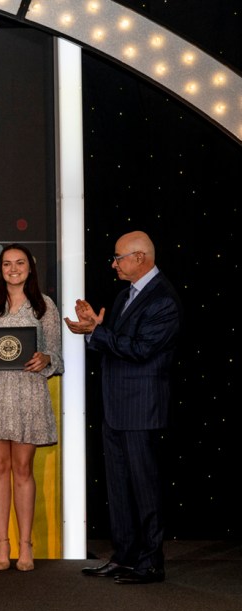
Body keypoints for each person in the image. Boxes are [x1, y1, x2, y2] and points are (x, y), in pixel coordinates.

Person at [65, 231, 181, 585]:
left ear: (141, 258)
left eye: (118, 258)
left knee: (144, 486)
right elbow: (117, 344)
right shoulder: (123, 297)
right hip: (116, 406)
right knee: (117, 486)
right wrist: (94, 329)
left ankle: (150, 562)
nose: (114, 264)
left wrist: (96, 333)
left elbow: (141, 349)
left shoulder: (163, 300)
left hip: (141, 409)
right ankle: (125, 556)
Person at [0, 244, 62, 572]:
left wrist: (46, 359)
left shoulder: (44, 305)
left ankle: (25, 545)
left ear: (30, 268)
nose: (13, 269)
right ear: (0, 268)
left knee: (23, 470)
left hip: (27, 396)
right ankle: (2, 545)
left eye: (20, 263)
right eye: (7, 264)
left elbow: (56, 355)